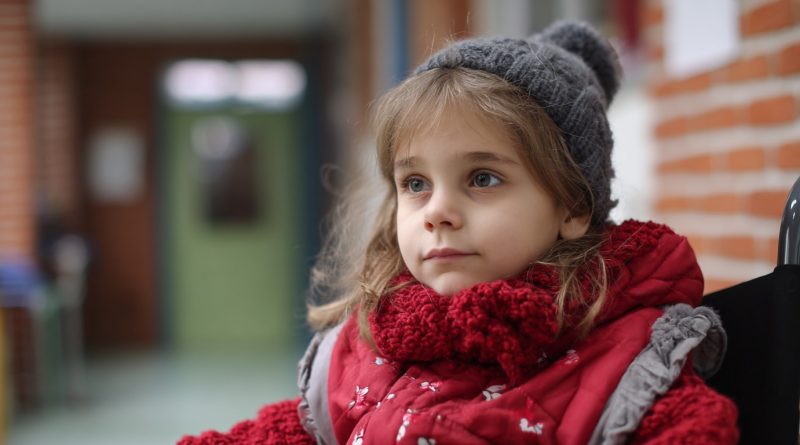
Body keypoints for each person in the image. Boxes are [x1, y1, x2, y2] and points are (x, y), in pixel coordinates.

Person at [179, 20, 739, 445]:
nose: (437, 211)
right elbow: (300, 430)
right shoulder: (367, 342)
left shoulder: (630, 366)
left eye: (482, 178)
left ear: (572, 204)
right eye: (416, 183)